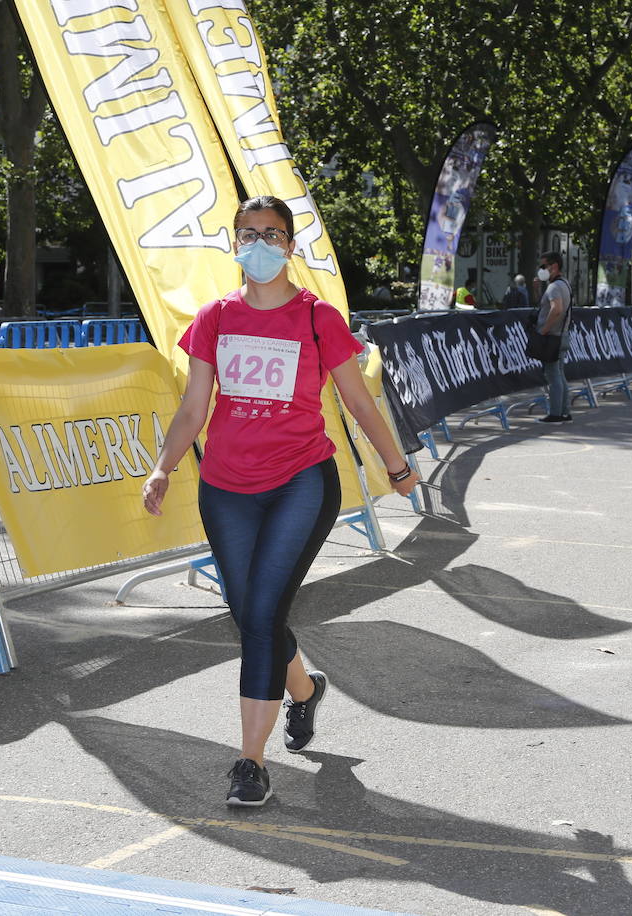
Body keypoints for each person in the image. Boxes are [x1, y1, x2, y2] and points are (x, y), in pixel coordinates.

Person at [141, 195, 418, 807]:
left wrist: (395, 463)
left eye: (271, 233)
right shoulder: (214, 317)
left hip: (301, 481)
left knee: (262, 618)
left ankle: (249, 761)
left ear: (291, 246)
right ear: (234, 243)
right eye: (248, 234)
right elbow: (194, 408)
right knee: (253, 618)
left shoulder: (319, 317)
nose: (259, 244)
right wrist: (162, 469)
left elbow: (358, 402)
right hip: (227, 488)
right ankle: (304, 690)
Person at [535, 251, 574, 423]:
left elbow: (556, 309)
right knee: (559, 374)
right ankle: (564, 413)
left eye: (543, 266)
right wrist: (537, 291)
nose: (541, 269)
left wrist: (544, 330)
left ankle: (556, 414)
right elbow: (546, 306)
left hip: (553, 337)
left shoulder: (554, 287)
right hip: (562, 335)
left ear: (554, 266)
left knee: (553, 376)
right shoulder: (564, 284)